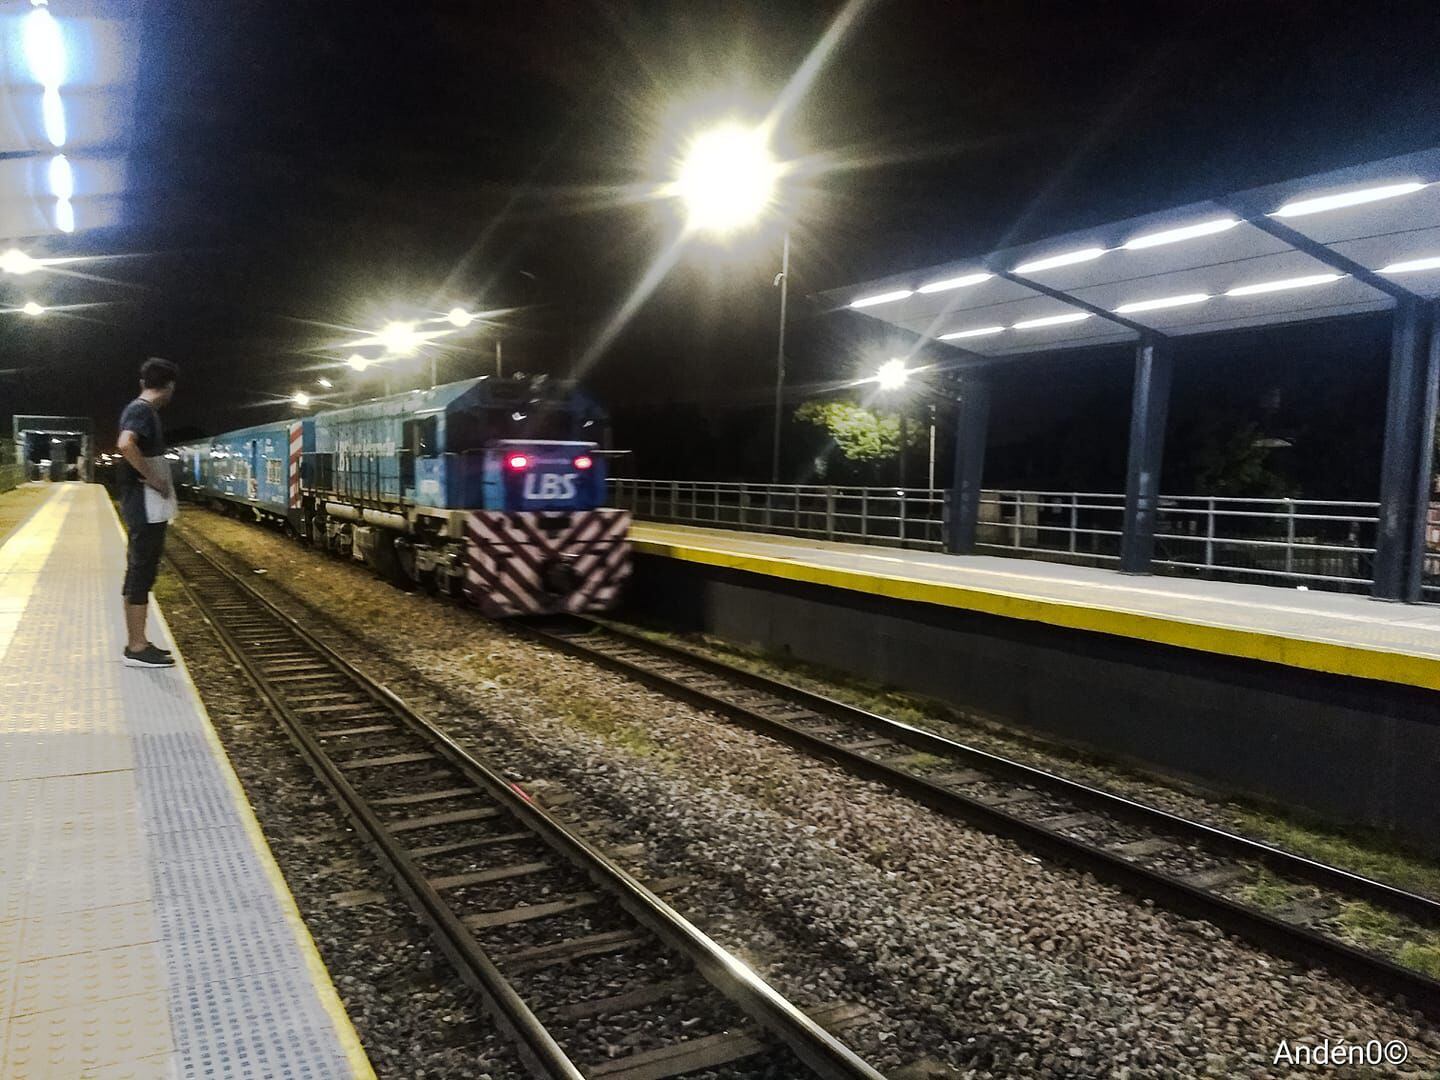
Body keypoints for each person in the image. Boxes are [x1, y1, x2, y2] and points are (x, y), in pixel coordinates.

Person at [116, 357, 179, 668]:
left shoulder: (140, 409)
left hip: (145, 507)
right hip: (144, 506)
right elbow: (126, 444)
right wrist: (152, 478)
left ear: (143, 382)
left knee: (141, 570)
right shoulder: (141, 410)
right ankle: (137, 647)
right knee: (142, 570)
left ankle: (138, 641)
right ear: (169, 387)